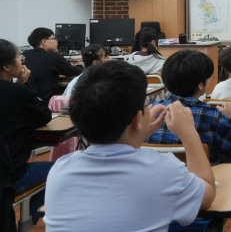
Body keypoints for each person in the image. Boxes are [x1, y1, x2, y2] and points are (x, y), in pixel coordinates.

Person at [44, 60, 216, 231]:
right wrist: (189, 134)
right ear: (136, 118)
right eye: (146, 104)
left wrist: (139, 131)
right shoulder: (164, 169)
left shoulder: (59, 171)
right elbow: (207, 194)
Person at [147, 49, 231, 163]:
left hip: (160, 178)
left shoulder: (151, 113)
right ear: (200, 85)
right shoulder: (211, 116)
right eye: (209, 78)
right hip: (206, 178)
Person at [0, 39, 53, 226]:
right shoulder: (16, 92)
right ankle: (31, 218)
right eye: (19, 58)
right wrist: (24, 84)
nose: (22, 62)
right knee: (58, 169)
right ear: (7, 66)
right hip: (12, 175)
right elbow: (44, 115)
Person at [23, 27, 82, 100]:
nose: (57, 41)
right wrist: (80, 66)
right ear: (44, 41)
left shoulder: (25, 54)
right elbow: (73, 71)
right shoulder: (53, 56)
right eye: (54, 38)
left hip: (28, 99)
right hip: (46, 101)